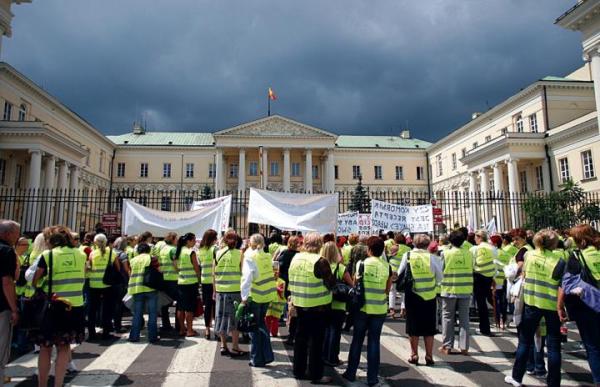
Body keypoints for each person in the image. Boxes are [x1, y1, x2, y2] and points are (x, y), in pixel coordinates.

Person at [505, 230, 565, 387]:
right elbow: (562, 285)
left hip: (532, 302)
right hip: (551, 304)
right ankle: (553, 382)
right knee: (553, 346)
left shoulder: (528, 255)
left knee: (525, 341)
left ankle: (517, 377)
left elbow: (524, 274)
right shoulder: (559, 260)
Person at [32, 226, 86, 387]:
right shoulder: (81, 254)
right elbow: (83, 275)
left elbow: (35, 280)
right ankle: (58, 384)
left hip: (53, 304)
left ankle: (42, 384)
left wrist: (43, 284)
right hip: (74, 305)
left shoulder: (48, 255)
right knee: (64, 347)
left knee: (45, 347)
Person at [342, 236, 391, 386]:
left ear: (368, 250)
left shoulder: (361, 264)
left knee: (357, 340)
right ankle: (372, 378)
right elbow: (387, 290)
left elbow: (356, 284)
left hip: (362, 308)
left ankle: (351, 372)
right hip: (379, 309)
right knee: (374, 342)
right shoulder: (387, 267)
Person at [289, 232, 335, 384]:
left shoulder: (296, 258)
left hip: (299, 305)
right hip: (318, 307)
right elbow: (331, 283)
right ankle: (316, 374)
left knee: (300, 340)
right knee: (316, 342)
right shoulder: (320, 261)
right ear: (320, 245)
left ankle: (298, 371)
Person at [560, 224, 600, 385]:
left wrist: (560, 305)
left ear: (581, 241)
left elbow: (566, 284)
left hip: (589, 305)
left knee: (593, 346)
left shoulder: (576, 257)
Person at [397, 233, 442, 366]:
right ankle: (429, 355)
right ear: (428, 244)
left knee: (413, 326)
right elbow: (440, 278)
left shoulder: (408, 255)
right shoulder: (432, 258)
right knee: (429, 328)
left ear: (414, 243)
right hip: (429, 296)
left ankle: (414, 354)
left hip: (412, 295)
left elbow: (400, 273)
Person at [241, 234, 277, 367]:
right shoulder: (267, 256)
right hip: (267, 295)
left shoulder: (250, 257)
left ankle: (258, 358)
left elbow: (247, 279)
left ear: (250, 243)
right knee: (261, 324)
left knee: (254, 327)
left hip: (255, 296)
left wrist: (244, 298)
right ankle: (265, 355)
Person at [439, 230, 473, 355]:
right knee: (464, 319)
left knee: (448, 317)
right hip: (465, 289)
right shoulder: (469, 253)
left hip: (449, 288)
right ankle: (464, 347)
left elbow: (440, 270)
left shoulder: (445, 254)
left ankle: (447, 346)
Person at [214, 230, 245, 356]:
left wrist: (214, 289)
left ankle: (223, 345)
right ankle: (235, 346)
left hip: (221, 290)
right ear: (237, 241)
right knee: (235, 319)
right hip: (235, 289)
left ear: (224, 241)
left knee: (221, 317)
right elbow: (243, 272)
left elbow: (214, 273)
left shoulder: (218, 253)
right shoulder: (240, 254)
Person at [323, 241, 352, 367]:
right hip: (338, 304)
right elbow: (351, 285)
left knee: (325, 331)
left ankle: (323, 356)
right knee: (335, 332)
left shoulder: (320, 266)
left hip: (323, 302)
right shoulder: (340, 268)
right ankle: (333, 358)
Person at [87, 233, 121, 341]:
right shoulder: (112, 253)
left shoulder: (92, 253)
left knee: (92, 309)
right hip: (107, 284)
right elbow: (118, 269)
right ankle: (106, 332)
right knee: (107, 309)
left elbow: (89, 267)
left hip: (94, 284)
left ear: (95, 242)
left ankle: (91, 333)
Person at [128, 242, 159, 343]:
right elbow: (158, 270)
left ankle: (134, 336)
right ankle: (152, 337)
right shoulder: (152, 258)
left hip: (136, 288)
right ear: (148, 250)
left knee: (137, 313)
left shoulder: (133, 260)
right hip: (150, 288)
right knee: (152, 313)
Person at [0, 220, 19, 385]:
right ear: (7, 234)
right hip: (1, 303)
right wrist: (14, 308)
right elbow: (7, 281)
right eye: (15, 233)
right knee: (2, 341)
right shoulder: (7, 251)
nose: (17, 237)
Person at [470, 230, 496, 336]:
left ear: (479, 237)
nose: (474, 239)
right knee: (488, 300)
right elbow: (494, 263)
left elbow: (472, 264)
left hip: (478, 277)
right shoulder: (492, 248)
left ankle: (484, 328)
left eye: (476, 237)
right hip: (489, 277)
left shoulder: (474, 249)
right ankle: (489, 326)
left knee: (481, 304)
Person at [175, 233, 200, 337]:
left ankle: (182, 329)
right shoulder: (191, 252)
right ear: (188, 241)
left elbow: (175, 266)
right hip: (191, 283)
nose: (195, 242)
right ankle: (190, 330)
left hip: (181, 282)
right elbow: (196, 268)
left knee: (180, 307)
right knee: (189, 308)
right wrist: (198, 278)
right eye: (193, 240)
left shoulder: (178, 251)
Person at [278, 236, 300, 345]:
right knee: (294, 311)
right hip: (296, 284)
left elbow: (279, 266)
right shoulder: (299, 255)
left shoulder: (285, 253)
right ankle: (293, 333)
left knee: (291, 309)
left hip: (286, 283)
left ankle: (291, 334)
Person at [198, 229, 218, 339]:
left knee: (207, 306)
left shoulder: (200, 250)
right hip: (214, 281)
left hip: (204, 280)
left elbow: (200, 264)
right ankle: (216, 328)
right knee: (215, 306)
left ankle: (206, 329)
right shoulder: (214, 249)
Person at [158, 232, 178, 332]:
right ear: (173, 239)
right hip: (173, 279)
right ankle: (179, 324)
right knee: (179, 303)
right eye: (176, 238)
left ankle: (166, 324)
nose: (177, 240)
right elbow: (176, 264)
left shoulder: (162, 250)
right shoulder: (173, 250)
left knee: (165, 303)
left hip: (164, 278)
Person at [388, 234, 411, 319]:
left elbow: (389, 256)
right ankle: (403, 309)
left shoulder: (394, 247)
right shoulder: (408, 248)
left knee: (392, 291)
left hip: (394, 272)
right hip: (403, 272)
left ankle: (392, 310)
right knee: (403, 292)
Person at [111, 237, 131, 333]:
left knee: (111, 303)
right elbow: (126, 269)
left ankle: (109, 324)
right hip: (120, 281)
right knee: (119, 304)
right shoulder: (122, 255)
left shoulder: (110, 252)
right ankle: (117, 325)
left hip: (110, 280)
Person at [491, 234, 510, 330]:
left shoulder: (493, 254)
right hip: (505, 279)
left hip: (495, 280)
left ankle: (497, 322)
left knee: (496, 302)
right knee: (503, 301)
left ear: (494, 243)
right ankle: (504, 320)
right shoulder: (506, 253)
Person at [265, 262, 286, 337]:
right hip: (269, 302)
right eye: (273, 273)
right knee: (267, 318)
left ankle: (274, 333)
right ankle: (266, 332)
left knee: (275, 319)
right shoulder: (267, 280)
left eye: (276, 273)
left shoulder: (282, 281)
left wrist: (275, 287)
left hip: (277, 303)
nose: (275, 274)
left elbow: (281, 290)